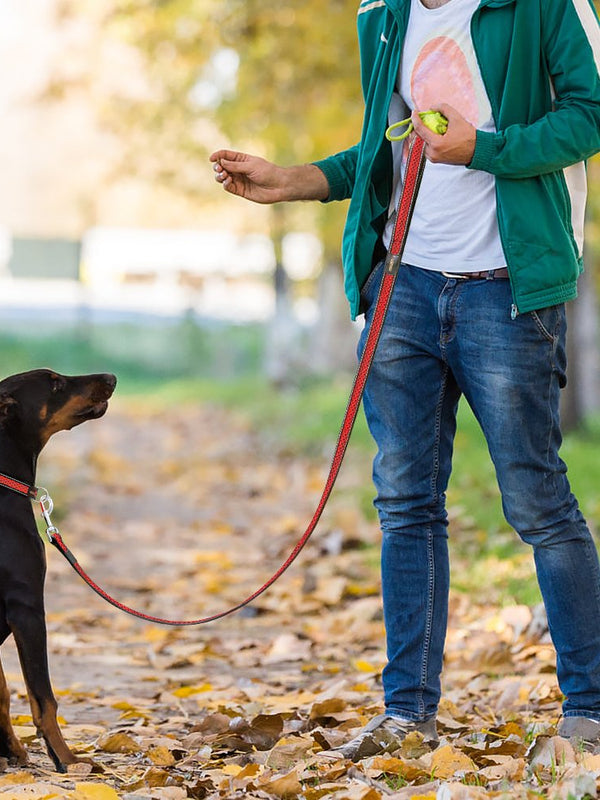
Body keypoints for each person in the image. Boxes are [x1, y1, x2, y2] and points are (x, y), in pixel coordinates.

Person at [210, 0, 600, 760]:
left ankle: (588, 710)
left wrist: (482, 148)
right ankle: (406, 716)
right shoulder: (383, 15)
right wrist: (294, 180)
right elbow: (386, 151)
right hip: (402, 290)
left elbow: (589, 116)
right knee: (405, 502)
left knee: (538, 502)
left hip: (506, 289)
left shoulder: (542, 6)